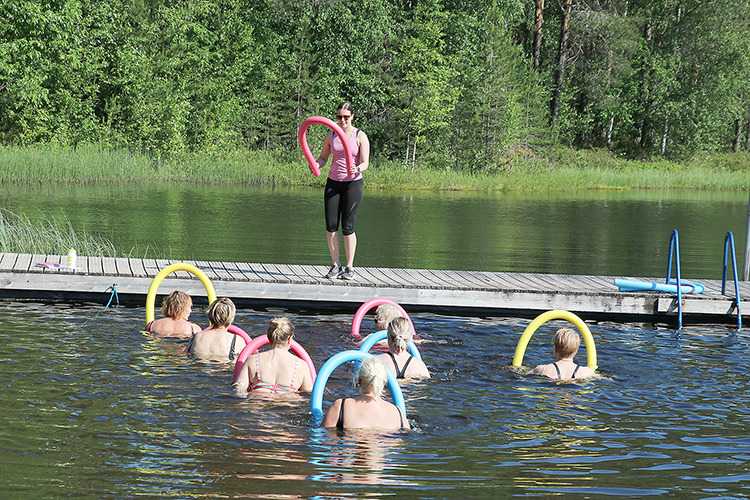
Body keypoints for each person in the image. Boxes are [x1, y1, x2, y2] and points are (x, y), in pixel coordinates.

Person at [315, 102, 370, 281]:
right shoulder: (331, 135)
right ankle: (335, 265)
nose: (343, 120)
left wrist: (358, 169)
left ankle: (349, 267)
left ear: (352, 116)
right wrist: (316, 164)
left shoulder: (360, 136)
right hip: (333, 183)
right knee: (331, 226)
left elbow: (365, 163)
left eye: (346, 116)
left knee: (348, 227)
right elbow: (323, 157)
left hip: (352, 184)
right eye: (339, 117)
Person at [322, 356, 410, 430]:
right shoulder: (399, 414)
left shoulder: (340, 407)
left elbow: (323, 441)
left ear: (359, 380)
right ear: (384, 383)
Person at [234, 317, 313, 395]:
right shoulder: (301, 365)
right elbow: (308, 394)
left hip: (258, 403)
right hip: (286, 404)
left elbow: (239, 389)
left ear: (268, 337)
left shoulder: (252, 360)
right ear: (290, 339)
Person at [185, 298, 246, 362]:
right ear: (232, 317)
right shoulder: (237, 340)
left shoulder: (197, 337)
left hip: (199, 370)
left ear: (210, 315)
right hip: (224, 369)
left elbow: (186, 355)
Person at [526, 328, 597, 380]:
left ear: (555, 348)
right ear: (576, 350)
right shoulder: (586, 372)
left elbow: (522, 376)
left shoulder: (542, 370)